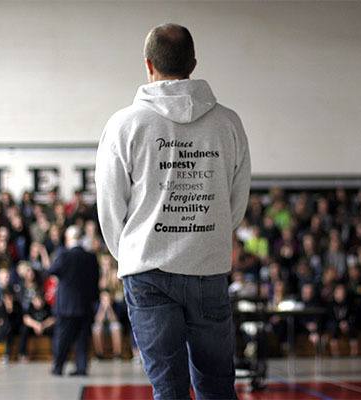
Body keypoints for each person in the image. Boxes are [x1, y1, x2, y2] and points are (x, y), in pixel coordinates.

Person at [95, 23, 251, 399]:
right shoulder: (227, 123)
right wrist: (207, 237)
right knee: (217, 387)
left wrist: (131, 250)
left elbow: (109, 205)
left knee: (168, 389)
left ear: (148, 65)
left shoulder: (124, 124)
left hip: (147, 271)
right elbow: (237, 202)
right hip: (208, 268)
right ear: (193, 63)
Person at [45, 226, 99, 376]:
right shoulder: (90, 257)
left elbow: (51, 271)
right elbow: (95, 281)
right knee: (82, 339)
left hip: (66, 306)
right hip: (85, 304)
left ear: (69, 239)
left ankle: (58, 367)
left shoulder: (64, 255)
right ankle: (81, 368)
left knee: (62, 339)